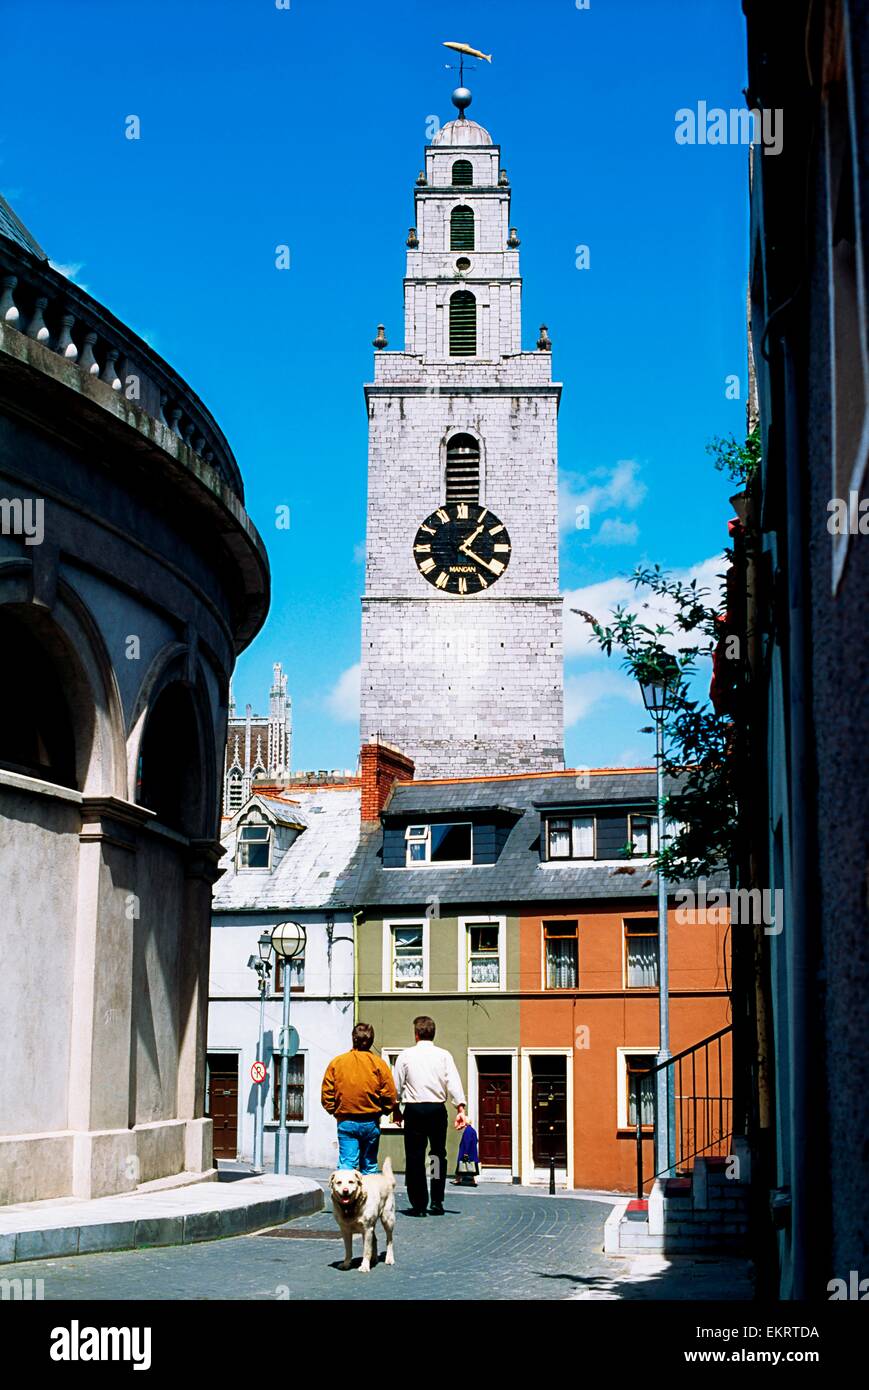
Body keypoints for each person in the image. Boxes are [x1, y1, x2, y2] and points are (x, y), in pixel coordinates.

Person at [392, 1015, 467, 1216]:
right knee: (436, 1155)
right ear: (433, 1034)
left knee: (415, 1157)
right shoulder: (444, 1055)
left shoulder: (405, 1056)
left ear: (416, 1034)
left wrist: (396, 1109)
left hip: (415, 1110)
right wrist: (460, 1108)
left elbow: (396, 1086)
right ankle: (436, 1200)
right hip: (436, 1110)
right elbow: (454, 1082)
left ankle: (418, 1202)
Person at [321, 1022, 398, 1174]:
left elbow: (326, 1094)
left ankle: (345, 1196)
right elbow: (389, 1094)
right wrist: (383, 1111)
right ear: (371, 1041)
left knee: (347, 1165)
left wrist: (335, 1110)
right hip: (371, 1121)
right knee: (369, 1166)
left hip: (346, 1120)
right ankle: (369, 1196)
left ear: (353, 1039)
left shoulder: (337, 1063)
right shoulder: (379, 1064)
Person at [452, 1120, 479, 1187]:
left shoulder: (467, 1131)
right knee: (473, 1167)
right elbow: (476, 1140)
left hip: (466, 1151)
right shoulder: (472, 1130)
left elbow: (467, 1142)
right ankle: (473, 1180)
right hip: (472, 1152)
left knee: (461, 1165)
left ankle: (458, 1180)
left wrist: (466, 1152)